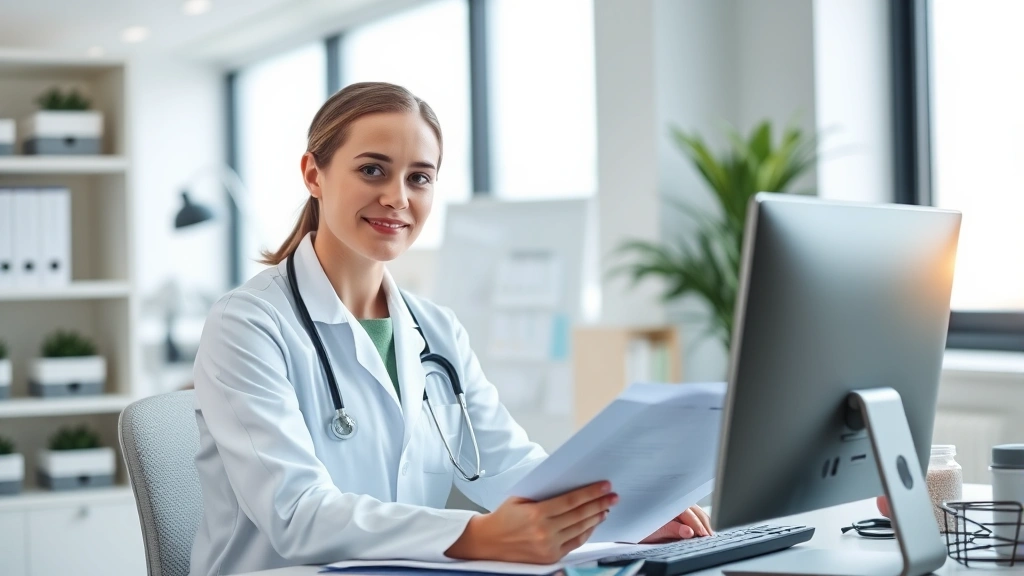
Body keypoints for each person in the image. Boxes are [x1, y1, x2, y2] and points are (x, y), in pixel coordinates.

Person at [188, 82, 711, 576]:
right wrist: (479, 536)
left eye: (419, 177)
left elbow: (507, 466)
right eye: (373, 170)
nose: (398, 197)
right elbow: (297, 515)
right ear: (313, 174)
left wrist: (618, 516)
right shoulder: (248, 325)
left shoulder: (435, 329)